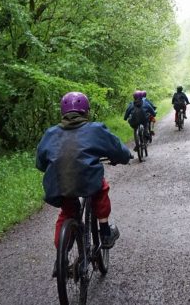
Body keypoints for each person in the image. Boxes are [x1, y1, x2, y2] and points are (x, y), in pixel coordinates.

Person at [36, 92, 131, 276]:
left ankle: (61, 259)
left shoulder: (50, 133)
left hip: (59, 185)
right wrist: (125, 156)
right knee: (100, 189)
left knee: (67, 213)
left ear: (63, 112)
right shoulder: (95, 130)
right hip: (88, 181)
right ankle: (104, 231)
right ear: (86, 111)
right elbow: (117, 150)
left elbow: (40, 163)